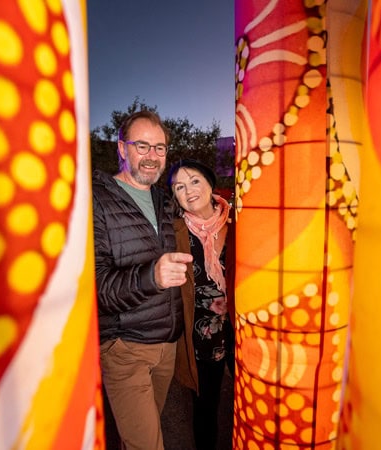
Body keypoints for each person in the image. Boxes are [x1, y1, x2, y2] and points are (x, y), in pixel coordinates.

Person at [92, 110, 192, 450]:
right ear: (122, 148)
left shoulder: (162, 200)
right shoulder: (96, 200)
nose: (152, 156)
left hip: (166, 347)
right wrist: (153, 276)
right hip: (124, 348)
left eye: (160, 148)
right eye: (142, 146)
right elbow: (98, 287)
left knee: (136, 436)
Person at [167, 159, 236, 450]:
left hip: (243, 326)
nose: (189, 190)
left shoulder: (239, 220)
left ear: (210, 182)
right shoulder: (174, 232)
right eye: (179, 187)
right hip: (201, 333)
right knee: (206, 407)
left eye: (194, 180)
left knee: (253, 395)